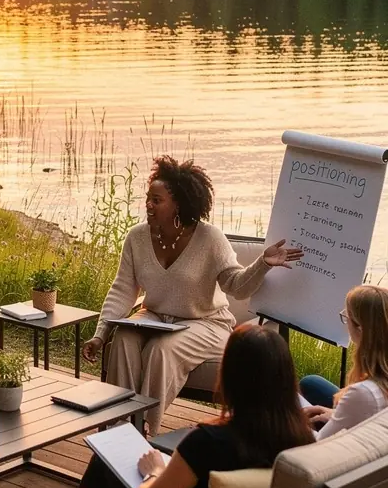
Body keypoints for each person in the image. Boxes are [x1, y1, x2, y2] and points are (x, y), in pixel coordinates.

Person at [81, 156, 302, 434]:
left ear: (179, 204)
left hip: (207, 323)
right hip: (155, 317)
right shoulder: (137, 237)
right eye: (148, 198)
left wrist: (262, 264)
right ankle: (118, 422)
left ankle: (144, 427)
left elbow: (236, 285)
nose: (148, 205)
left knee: (162, 350)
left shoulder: (210, 239)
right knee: (124, 338)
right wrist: (101, 334)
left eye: (156, 200)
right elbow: (122, 289)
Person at [68, 323, 315, 488]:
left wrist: (154, 472)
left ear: (229, 376)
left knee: (105, 460)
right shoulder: (301, 437)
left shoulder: (209, 441)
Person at [300, 285, 388, 440]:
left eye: (347, 316)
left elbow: (319, 445)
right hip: (371, 421)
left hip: (337, 452)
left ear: (360, 328)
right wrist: (337, 416)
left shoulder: (363, 393)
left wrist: (289, 423)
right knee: (311, 383)